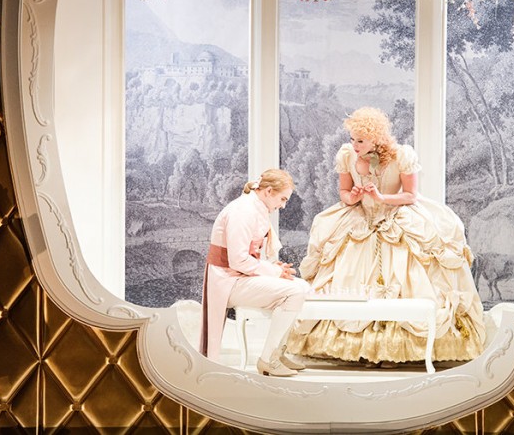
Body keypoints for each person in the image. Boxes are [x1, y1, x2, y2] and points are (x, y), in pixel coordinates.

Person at [285, 107, 485, 366]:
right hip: (360, 219)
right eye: (352, 139)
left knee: (407, 276)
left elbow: (410, 195)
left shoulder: (402, 155)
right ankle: (357, 349)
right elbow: (344, 192)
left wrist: (381, 197)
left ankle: (399, 350)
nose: (354, 145)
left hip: (397, 216)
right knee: (346, 273)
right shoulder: (347, 156)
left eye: (360, 140)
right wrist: (352, 197)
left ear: (376, 138)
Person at [199, 169, 312, 376]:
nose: (283, 206)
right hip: (227, 281)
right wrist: (274, 272)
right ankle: (268, 360)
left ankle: (277, 352)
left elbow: (252, 256)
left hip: (240, 276)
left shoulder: (256, 209)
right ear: (268, 191)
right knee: (294, 292)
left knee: (302, 286)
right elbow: (238, 260)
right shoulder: (242, 211)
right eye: (282, 199)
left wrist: (276, 269)